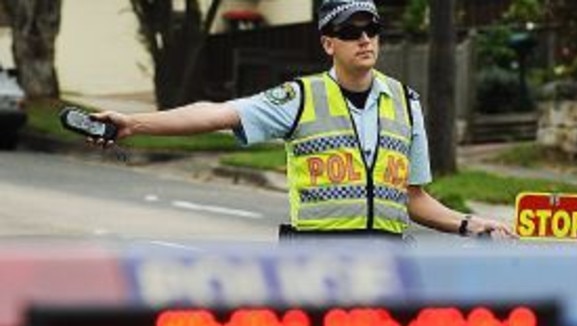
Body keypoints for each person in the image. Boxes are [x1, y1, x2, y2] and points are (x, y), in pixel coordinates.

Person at [89, 0, 515, 242]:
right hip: (317, 264)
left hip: (387, 268)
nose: (364, 38)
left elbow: (413, 199)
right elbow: (216, 113)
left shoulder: (406, 102)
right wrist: (134, 123)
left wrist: (469, 223)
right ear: (329, 43)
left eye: (372, 29)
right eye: (350, 31)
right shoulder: (298, 97)